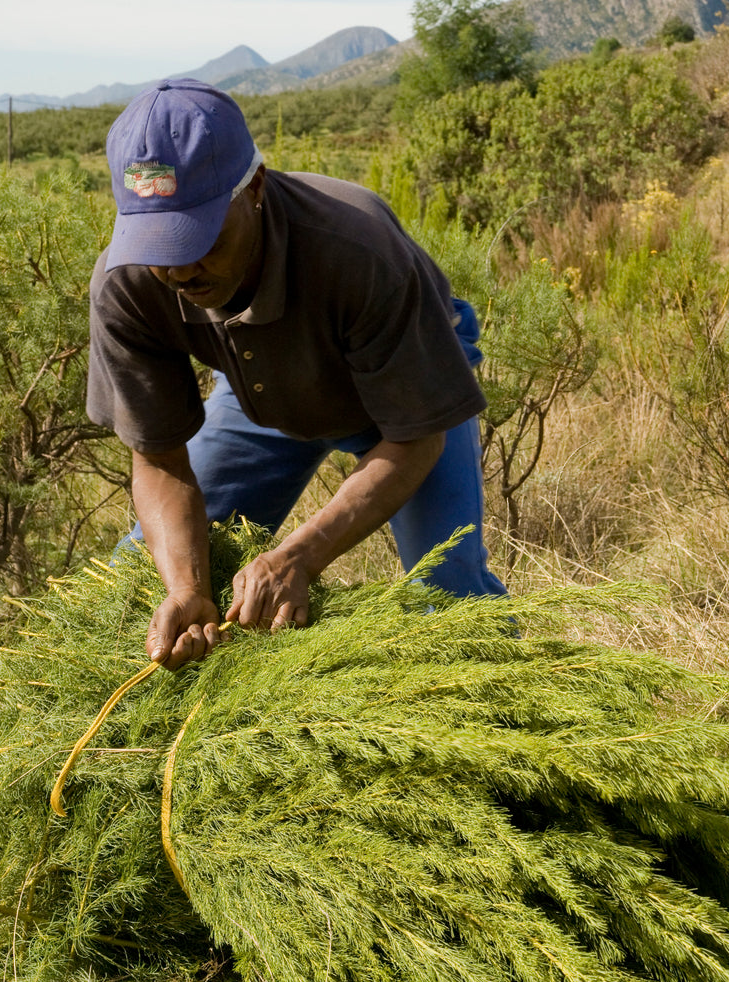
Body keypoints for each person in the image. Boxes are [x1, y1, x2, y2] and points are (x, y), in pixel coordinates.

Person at [87, 77, 506, 670]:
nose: (179, 269)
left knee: (450, 597)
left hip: (401, 391)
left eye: (199, 237)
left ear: (254, 186)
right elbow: (158, 459)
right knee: (141, 575)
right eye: (158, 242)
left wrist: (300, 557)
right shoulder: (125, 285)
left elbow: (417, 438)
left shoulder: (357, 248)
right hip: (261, 388)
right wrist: (186, 586)